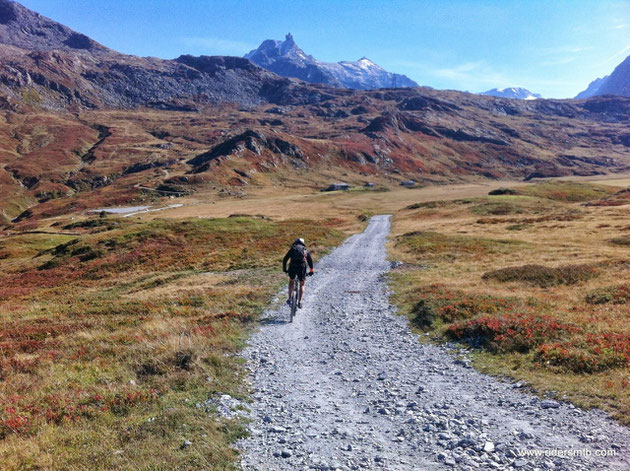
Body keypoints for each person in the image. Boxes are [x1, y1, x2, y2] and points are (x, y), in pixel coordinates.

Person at [282, 238, 314, 309]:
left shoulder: (293, 249)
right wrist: (311, 270)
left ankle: (290, 298)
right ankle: (300, 302)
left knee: (291, 281)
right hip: (301, 267)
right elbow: (310, 260)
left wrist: (285, 269)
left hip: (292, 266)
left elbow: (285, 259)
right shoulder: (305, 250)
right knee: (302, 284)